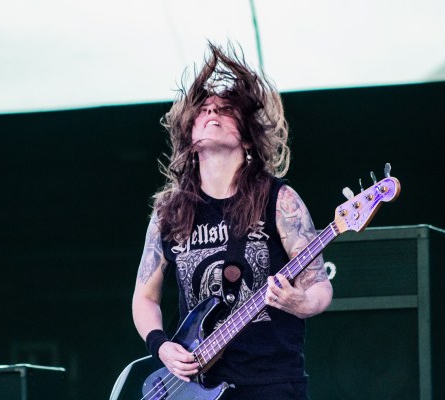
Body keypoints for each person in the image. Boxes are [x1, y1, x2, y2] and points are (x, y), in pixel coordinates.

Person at [131, 42, 333, 400]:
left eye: (226, 110)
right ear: (190, 135)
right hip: (196, 388)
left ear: (247, 136)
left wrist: (300, 302)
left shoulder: (279, 200)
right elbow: (145, 298)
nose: (212, 113)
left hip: (271, 384)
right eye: (204, 109)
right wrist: (160, 346)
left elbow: (319, 284)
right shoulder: (169, 213)